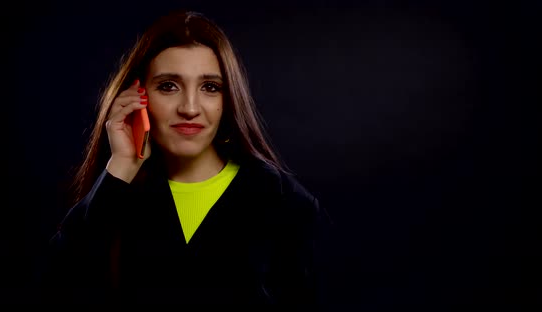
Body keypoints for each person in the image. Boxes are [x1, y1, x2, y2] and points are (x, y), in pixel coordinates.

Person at [38, 9, 328, 307]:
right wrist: (121, 166)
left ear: (228, 101)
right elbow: (59, 290)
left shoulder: (285, 202)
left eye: (210, 87)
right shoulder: (115, 195)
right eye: (168, 86)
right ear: (138, 96)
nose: (189, 107)